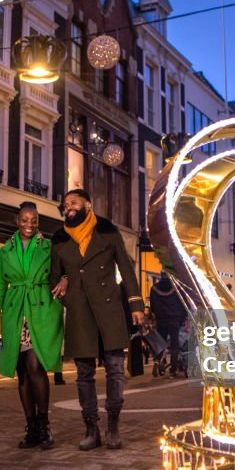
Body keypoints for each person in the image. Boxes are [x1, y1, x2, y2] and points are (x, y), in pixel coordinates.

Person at [49, 189, 145, 450]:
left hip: (109, 308)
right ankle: (91, 428)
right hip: (80, 311)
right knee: (84, 373)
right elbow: (53, 278)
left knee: (115, 369)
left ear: (87, 205)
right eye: (66, 203)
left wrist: (135, 303)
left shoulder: (106, 231)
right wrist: (64, 286)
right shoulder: (58, 239)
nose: (68, 206)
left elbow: (126, 268)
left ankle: (112, 426)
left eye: (74, 202)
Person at [0, 202, 64, 450]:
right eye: (25, 220)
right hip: (15, 311)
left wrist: (66, 280)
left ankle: (44, 426)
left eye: (34, 220)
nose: (29, 224)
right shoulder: (4, 252)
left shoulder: (50, 247)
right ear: (17, 221)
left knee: (35, 365)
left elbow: (65, 270)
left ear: (38, 221)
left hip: (42, 310)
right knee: (22, 370)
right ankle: (31, 427)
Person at [149, 273, 188, 377]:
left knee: (160, 342)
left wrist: (155, 314)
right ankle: (173, 369)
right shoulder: (177, 288)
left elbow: (152, 305)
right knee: (175, 344)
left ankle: (158, 361)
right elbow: (183, 304)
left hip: (161, 319)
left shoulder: (154, 288)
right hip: (174, 320)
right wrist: (183, 318)